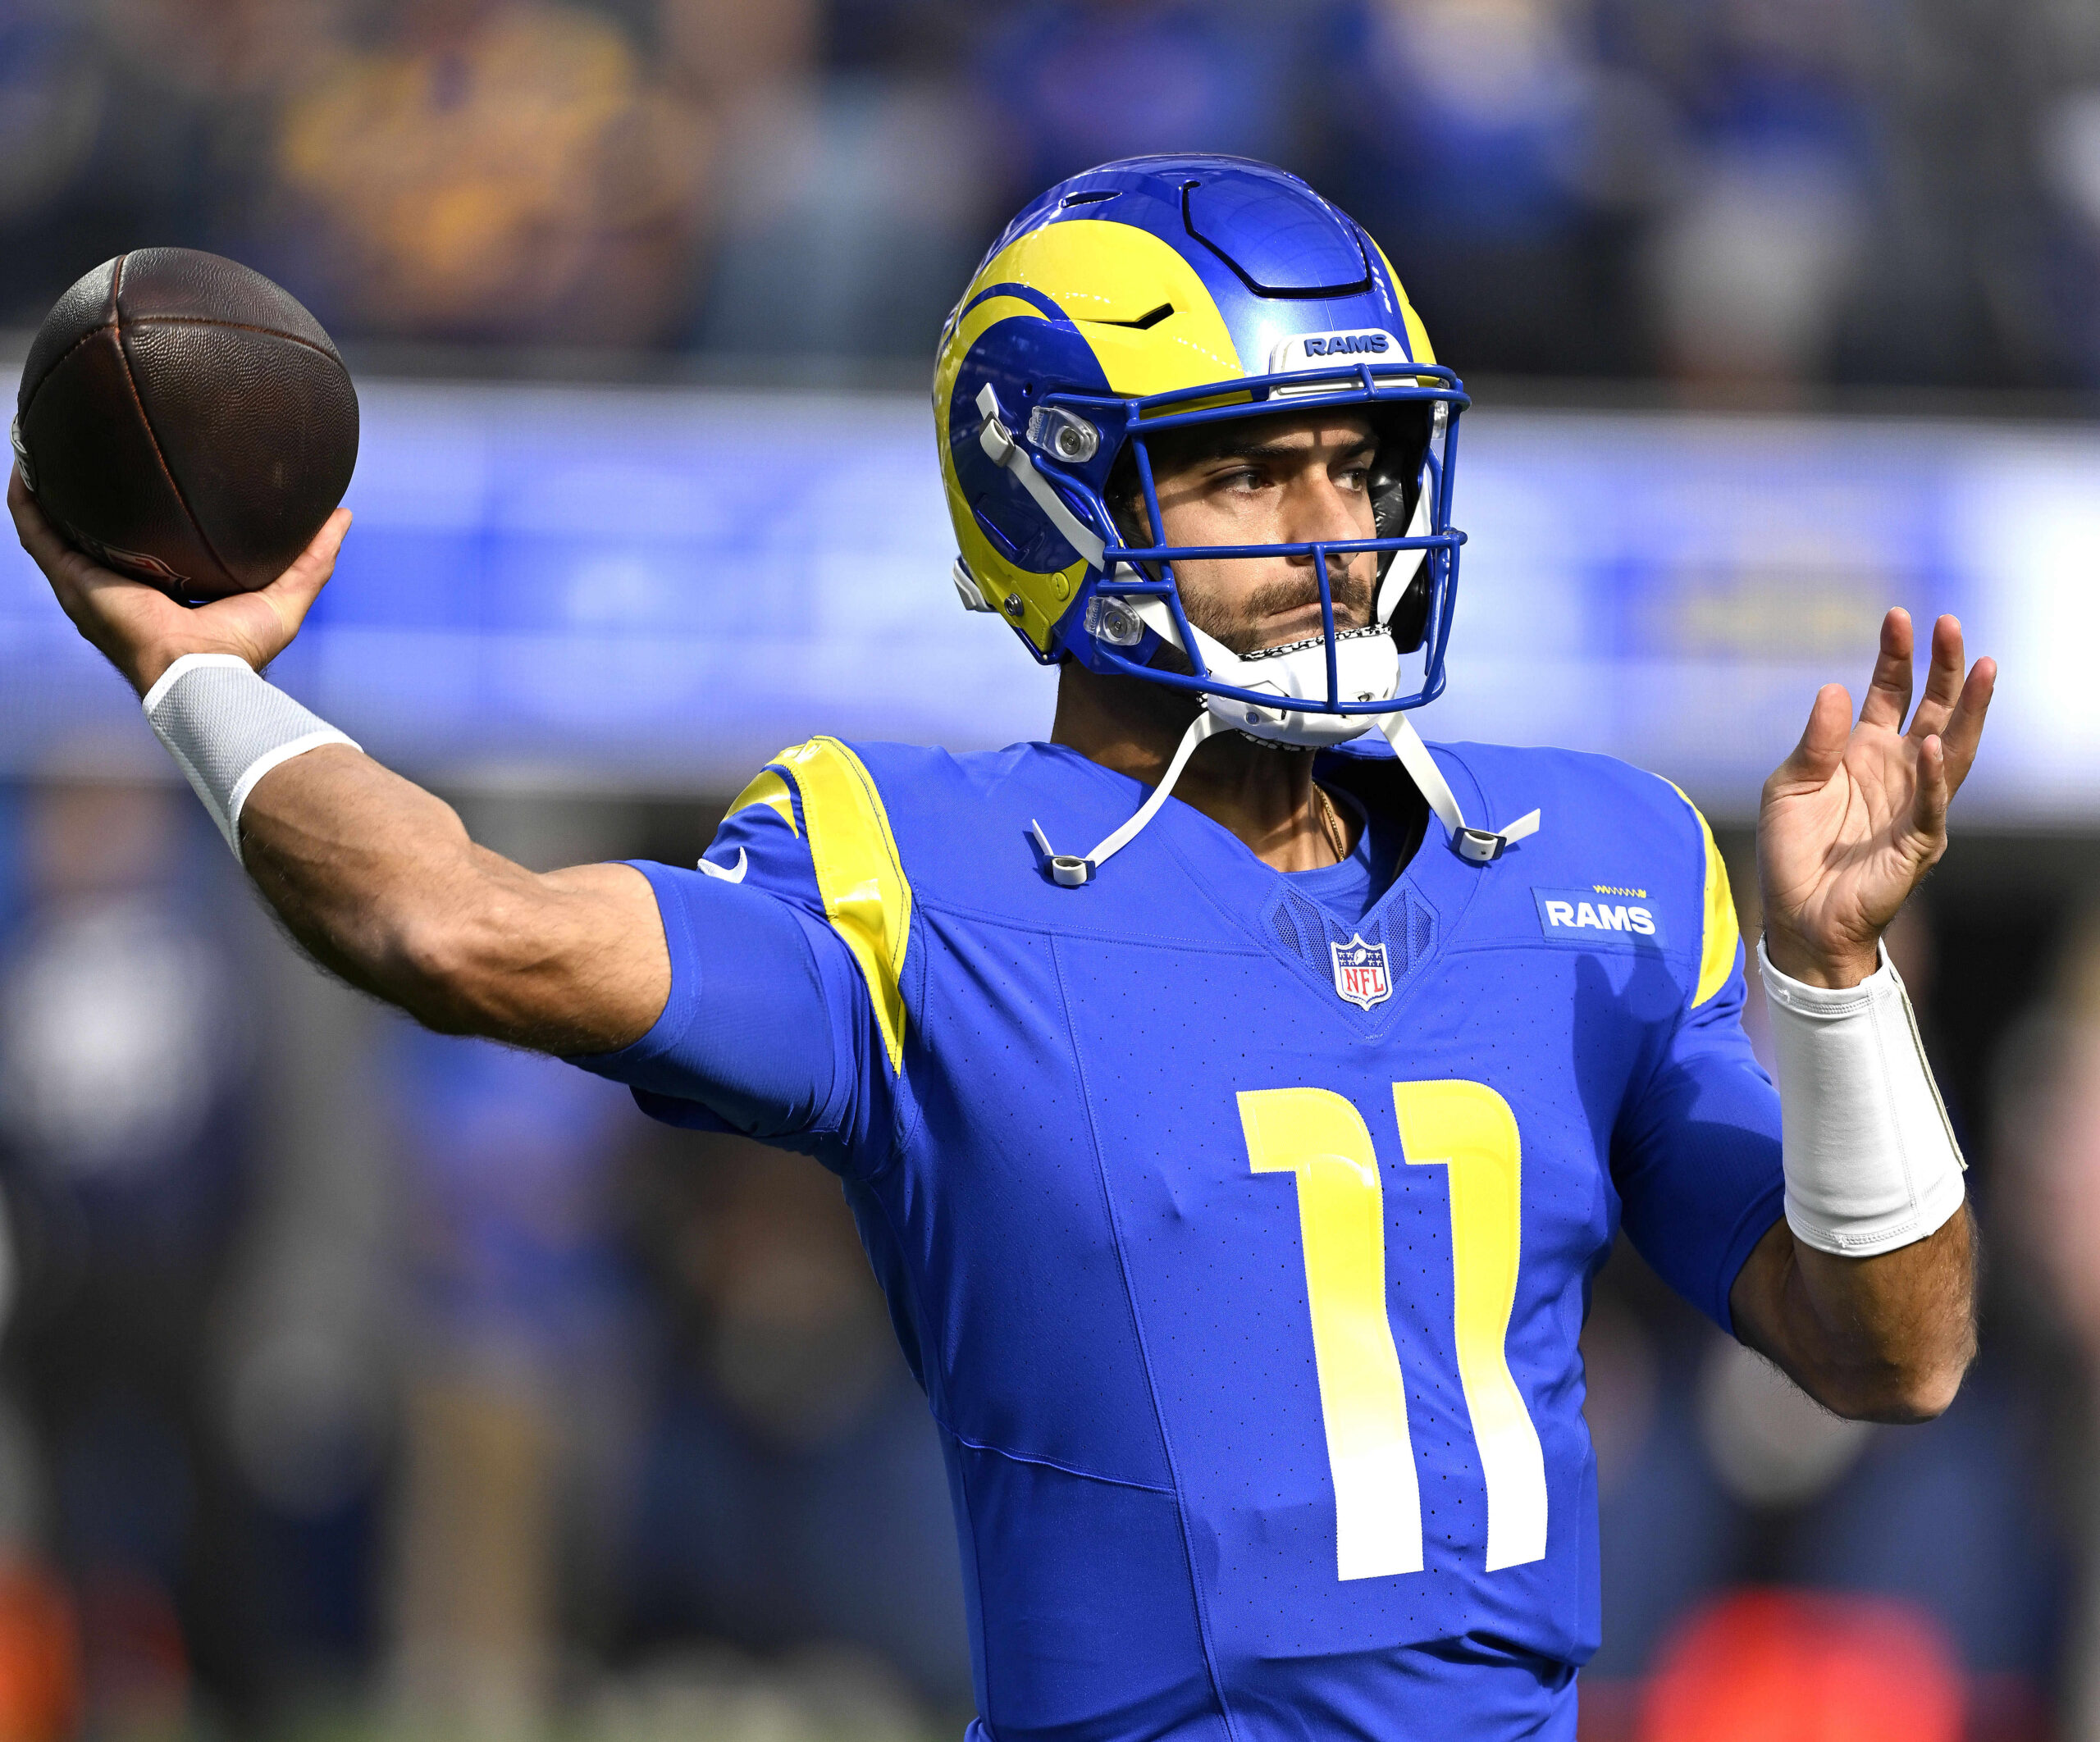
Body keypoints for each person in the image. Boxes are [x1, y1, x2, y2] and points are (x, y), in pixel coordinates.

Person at [11, 155, 1989, 1740]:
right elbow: (456, 925)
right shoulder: (916, 872)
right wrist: (198, 682)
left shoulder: (1605, 857)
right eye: (1241, 466)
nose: (1331, 528)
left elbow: (1887, 1355)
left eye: (1360, 460)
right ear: (1054, 484)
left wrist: (1830, 988)